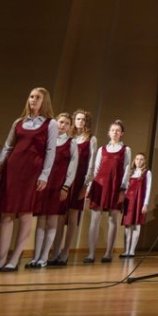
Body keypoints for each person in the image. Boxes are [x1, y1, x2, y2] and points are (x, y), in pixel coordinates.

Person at [0, 87, 58, 272]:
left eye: (37, 97)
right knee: (6, 215)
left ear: (44, 101)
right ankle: (1, 260)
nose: (33, 100)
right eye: (31, 96)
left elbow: (50, 150)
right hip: (12, 169)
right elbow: (8, 146)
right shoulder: (18, 122)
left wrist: (45, 174)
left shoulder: (50, 124)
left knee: (25, 214)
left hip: (32, 171)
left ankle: (14, 259)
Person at [27, 112, 78, 268]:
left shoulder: (71, 143)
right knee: (41, 221)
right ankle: (36, 257)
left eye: (66, 123)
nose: (62, 125)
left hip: (58, 185)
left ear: (70, 127)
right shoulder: (48, 140)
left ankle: (44, 257)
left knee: (52, 221)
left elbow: (72, 167)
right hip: (44, 183)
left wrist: (66, 186)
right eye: (60, 122)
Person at [52, 108, 96, 265]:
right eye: (78, 119)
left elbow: (91, 163)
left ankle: (65, 252)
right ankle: (55, 251)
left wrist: (86, 185)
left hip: (79, 181)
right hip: (65, 180)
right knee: (59, 216)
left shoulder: (91, 139)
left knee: (72, 217)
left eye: (83, 119)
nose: (80, 122)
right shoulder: (68, 138)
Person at [86, 120, 132, 262]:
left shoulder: (126, 150)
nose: (115, 133)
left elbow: (127, 169)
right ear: (109, 133)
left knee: (112, 218)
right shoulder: (102, 149)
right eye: (113, 130)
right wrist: (90, 187)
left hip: (115, 186)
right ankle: (91, 254)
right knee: (95, 219)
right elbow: (96, 168)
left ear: (122, 133)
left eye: (118, 130)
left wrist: (123, 188)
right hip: (100, 185)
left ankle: (108, 253)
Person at [121, 152, 152, 258]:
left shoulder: (147, 173)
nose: (139, 161)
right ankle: (126, 250)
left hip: (139, 201)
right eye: (137, 159)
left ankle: (132, 250)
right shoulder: (130, 173)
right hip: (128, 201)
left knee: (136, 225)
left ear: (144, 161)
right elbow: (125, 188)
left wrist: (145, 204)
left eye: (141, 159)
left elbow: (148, 189)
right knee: (127, 225)